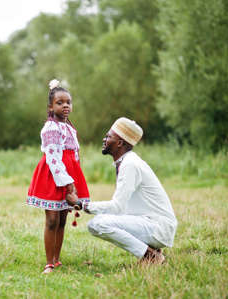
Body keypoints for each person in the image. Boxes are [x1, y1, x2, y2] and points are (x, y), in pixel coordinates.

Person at [68, 117, 177, 264]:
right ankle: (152, 251)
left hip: (159, 228)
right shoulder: (126, 162)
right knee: (106, 219)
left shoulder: (130, 164)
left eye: (108, 136)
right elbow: (122, 209)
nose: (104, 139)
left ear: (119, 143)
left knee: (97, 224)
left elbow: (116, 207)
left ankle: (150, 256)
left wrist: (82, 205)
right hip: (155, 225)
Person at [26, 79, 90, 274]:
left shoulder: (71, 128)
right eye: (60, 103)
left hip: (70, 174)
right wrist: (68, 182)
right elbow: (54, 157)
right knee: (52, 220)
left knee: (62, 219)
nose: (65, 106)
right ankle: (48, 262)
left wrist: (75, 179)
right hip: (54, 175)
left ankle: (57, 258)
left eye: (68, 102)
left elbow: (75, 155)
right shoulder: (50, 127)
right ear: (50, 107)